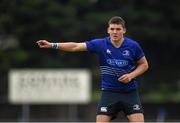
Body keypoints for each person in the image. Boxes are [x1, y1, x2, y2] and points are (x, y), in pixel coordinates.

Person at [36, 16, 149, 122]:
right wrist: (52, 44)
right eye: (112, 29)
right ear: (108, 30)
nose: (115, 32)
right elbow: (75, 46)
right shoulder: (100, 44)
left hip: (129, 92)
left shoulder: (133, 46)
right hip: (109, 92)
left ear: (124, 30)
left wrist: (131, 75)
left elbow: (144, 64)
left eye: (118, 29)